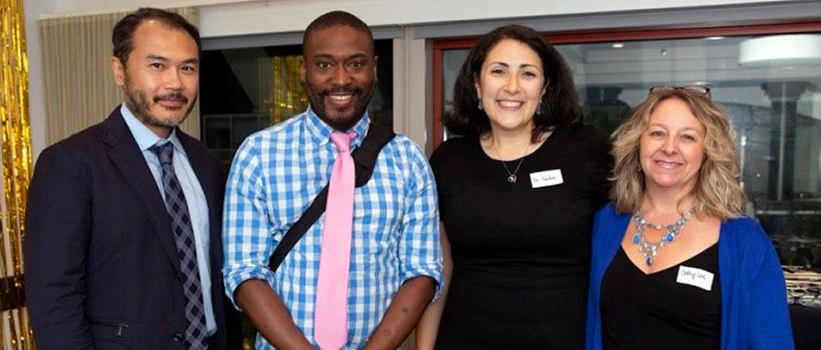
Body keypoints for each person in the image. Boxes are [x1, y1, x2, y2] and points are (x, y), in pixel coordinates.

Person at [222, 11, 442, 350]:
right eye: (325, 65)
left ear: (374, 68)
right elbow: (243, 272)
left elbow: (423, 272)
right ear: (303, 70)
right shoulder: (258, 155)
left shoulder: (408, 161)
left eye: (355, 64)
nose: (341, 79)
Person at [24, 8, 240, 350]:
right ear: (119, 71)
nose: (175, 82)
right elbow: (55, 301)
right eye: (157, 65)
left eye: (187, 68)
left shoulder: (204, 161)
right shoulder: (70, 164)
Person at [417, 25, 611, 349]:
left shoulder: (586, 151)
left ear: (545, 87)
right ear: (478, 84)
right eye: (498, 71)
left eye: (528, 74)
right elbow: (441, 269)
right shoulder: (449, 160)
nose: (512, 87)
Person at [584, 86, 794, 350]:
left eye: (687, 137)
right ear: (638, 142)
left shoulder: (746, 243)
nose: (669, 148)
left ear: (707, 152)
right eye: (658, 133)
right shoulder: (607, 223)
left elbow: (773, 342)